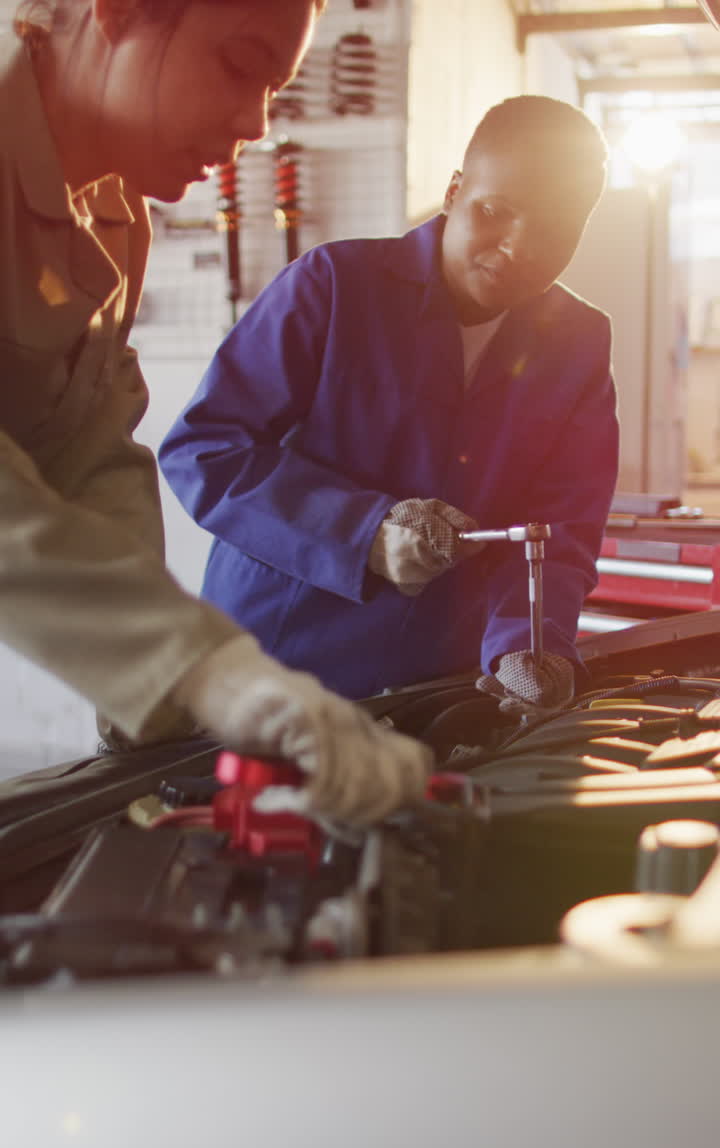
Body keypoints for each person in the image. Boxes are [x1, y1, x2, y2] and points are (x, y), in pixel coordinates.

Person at [0, 0, 430, 826]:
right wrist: (208, 670)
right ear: (120, 11)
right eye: (239, 67)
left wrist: (162, 719)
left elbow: (90, 453)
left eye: (273, 90)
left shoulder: (114, 219)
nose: (255, 124)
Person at [159, 95, 619, 711]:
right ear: (453, 191)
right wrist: (363, 532)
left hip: (439, 686)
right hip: (273, 664)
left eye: (555, 231)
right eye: (494, 211)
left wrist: (528, 644)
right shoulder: (334, 287)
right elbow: (206, 451)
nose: (518, 247)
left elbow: (561, 526)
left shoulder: (577, 343)